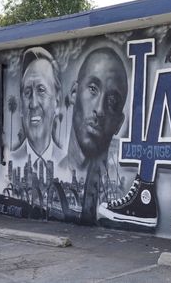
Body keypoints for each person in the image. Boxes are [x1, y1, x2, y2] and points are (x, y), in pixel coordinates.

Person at [61, 46, 128, 223]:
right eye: (92, 88)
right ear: (74, 93)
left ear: (118, 123)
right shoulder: (57, 173)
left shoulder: (118, 190)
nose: (99, 109)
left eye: (112, 101)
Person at [11, 46, 64, 176]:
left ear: (57, 102)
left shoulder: (66, 164)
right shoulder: (10, 161)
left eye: (41, 90)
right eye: (27, 92)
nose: (33, 104)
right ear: (21, 108)